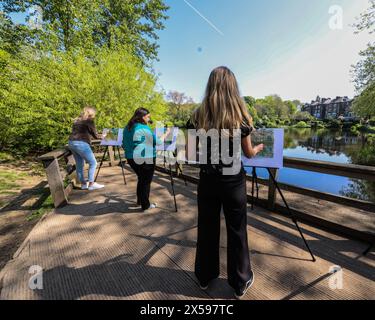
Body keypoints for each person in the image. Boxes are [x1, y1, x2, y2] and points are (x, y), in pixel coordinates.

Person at [186, 66, 264, 299]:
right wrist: (259, 147)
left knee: (207, 228)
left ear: (210, 85)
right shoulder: (241, 115)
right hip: (233, 183)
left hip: (208, 180)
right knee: (237, 230)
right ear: (233, 85)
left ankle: (204, 276)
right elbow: (249, 153)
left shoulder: (197, 116)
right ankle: (240, 282)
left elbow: (191, 153)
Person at [123, 108, 170, 211]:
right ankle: (146, 205)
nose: (149, 119)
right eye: (148, 116)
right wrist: (166, 134)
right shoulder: (144, 128)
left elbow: (124, 143)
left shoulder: (127, 127)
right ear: (142, 117)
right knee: (145, 182)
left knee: (141, 179)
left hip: (131, 158)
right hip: (145, 158)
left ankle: (140, 201)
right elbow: (158, 142)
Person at [68, 106, 104, 191]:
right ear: (91, 114)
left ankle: (84, 184)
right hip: (81, 144)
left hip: (71, 143)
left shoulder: (77, 121)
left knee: (79, 165)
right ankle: (91, 184)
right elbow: (95, 136)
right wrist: (103, 136)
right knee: (93, 163)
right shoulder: (89, 121)